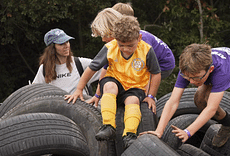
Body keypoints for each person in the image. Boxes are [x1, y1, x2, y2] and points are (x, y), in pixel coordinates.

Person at [140, 43, 230, 147]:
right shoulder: (188, 70)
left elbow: (211, 109)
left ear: (210, 70)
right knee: (199, 100)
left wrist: (188, 131)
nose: (191, 82)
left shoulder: (220, 71)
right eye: (188, 78)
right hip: (215, 72)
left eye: (196, 78)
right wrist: (159, 130)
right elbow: (173, 101)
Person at [65, 15, 161, 149]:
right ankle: (109, 126)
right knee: (109, 86)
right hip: (115, 81)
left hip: (135, 87)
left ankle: (130, 135)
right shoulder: (110, 47)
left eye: (130, 46)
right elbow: (92, 68)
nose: (126, 49)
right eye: (121, 45)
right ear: (116, 40)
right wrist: (79, 89)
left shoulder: (147, 50)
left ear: (139, 38)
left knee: (133, 101)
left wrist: (151, 96)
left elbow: (156, 73)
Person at [88, 7, 175, 110]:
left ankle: (148, 104)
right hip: (149, 62)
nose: (103, 39)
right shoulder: (116, 46)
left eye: (105, 35)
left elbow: (150, 73)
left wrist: (149, 96)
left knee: (139, 85)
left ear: (114, 30)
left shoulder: (139, 41)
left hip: (164, 63)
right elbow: (106, 70)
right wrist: (97, 94)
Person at [32, 28, 101, 97]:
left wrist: (98, 94)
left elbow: (107, 69)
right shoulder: (44, 69)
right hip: (57, 107)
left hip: (82, 106)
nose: (66, 46)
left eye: (67, 42)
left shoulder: (80, 63)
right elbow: (34, 92)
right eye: (61, 44)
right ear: (52, 48)